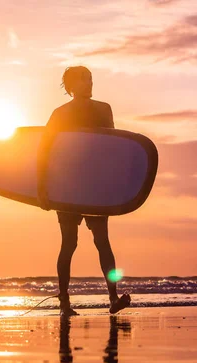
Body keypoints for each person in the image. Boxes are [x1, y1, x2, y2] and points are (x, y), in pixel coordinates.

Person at [40, 66, 131, 317]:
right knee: (69, 244)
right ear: (70, 86)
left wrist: (115, 184)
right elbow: (45, 151)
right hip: (69, 188)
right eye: (83, 80)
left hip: (93, 187)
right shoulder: (59, 114)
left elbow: (111, 147)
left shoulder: (104, 109)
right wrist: (42, 189)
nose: (89, 83)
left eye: (90, 79)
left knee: (102, 242)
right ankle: (64, 303)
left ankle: (113, 299)